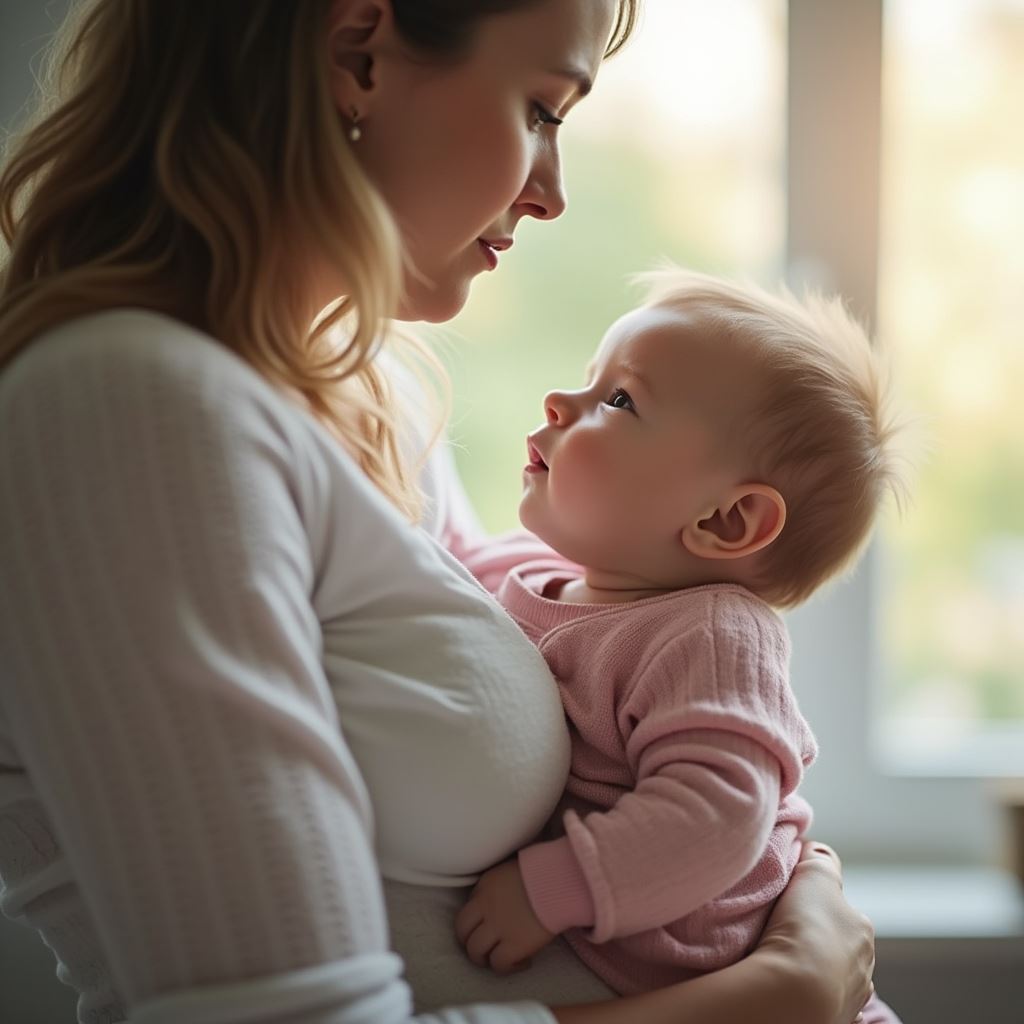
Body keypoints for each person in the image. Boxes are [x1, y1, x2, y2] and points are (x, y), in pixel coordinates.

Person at [0, 3, 875, 1023]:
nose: (551, 193)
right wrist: (775, 998)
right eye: (542, 109)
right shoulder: (130, 410)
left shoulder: (374, 389)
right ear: (356, 54)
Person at [452, 270, 909, 1023]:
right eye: (589, 378)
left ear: (727, 521)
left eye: (619, 400)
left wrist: (551, 890)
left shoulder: (710, 633)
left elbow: (715, 812)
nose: (559, 402)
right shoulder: (525, 571)